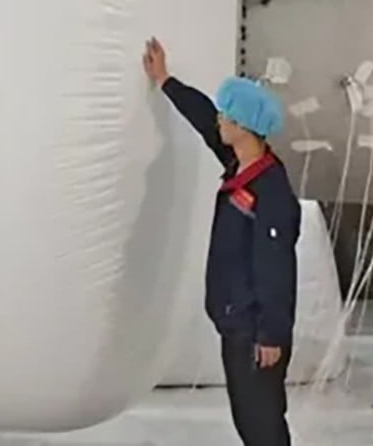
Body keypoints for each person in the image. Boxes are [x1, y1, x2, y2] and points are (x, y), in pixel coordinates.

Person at [142, 37, 300, 446]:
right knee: (250, 420)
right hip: (237, 323)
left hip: (254, 331)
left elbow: (276, 269)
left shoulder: (270, 191)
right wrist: (165, 80)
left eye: (226, 116)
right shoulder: (240, 163)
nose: (219, 121)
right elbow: (202, 117)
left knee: (262, 425)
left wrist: (271, 334)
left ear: (243, 127)